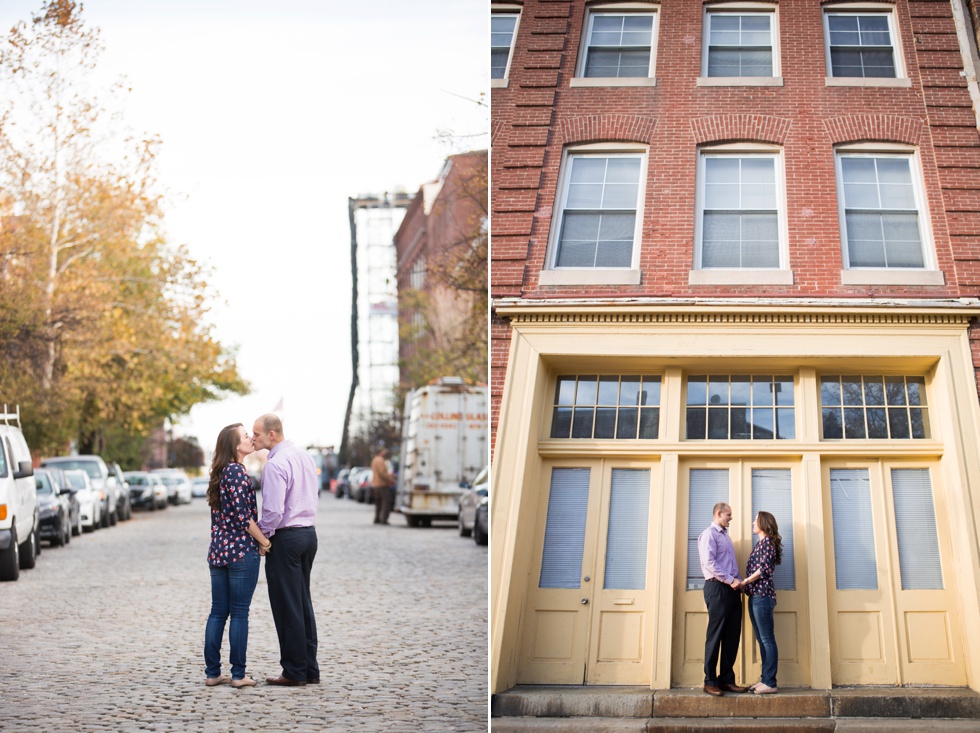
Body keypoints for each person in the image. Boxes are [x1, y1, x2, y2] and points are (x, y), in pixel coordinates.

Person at [252, 413, 320, 687]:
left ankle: (294, 671)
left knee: (287, 606)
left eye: (256, 433)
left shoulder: (275, 464)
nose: (253, 437)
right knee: (302, 602)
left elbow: (273, 511)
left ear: (272, 434)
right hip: (308, 535)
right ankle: (309, 669)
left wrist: (263, 539)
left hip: (286, 538)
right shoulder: (304, 456)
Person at [204, 423, 271, 689]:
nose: (250, 438)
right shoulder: (236, 472)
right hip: (240, 552)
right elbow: (244, 519)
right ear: (235, 445)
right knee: (239, 613)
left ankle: (212, 673)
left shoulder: (221, 472)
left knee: (218, 612)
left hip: (218, 551)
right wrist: (264, 541)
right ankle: (238, 674)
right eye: (245, 436)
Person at [697, 501, 748, 696]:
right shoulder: (709, 535)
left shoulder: (726, 537)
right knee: (715, 634)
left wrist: (740, 583)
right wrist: (729, 580)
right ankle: (709, 680)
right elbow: (708, 563)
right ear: (719, 514)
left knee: (732, 635)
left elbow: (730, 566)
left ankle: (727, 679)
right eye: (729, 515)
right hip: (717, 588)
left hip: (732, 589)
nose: (731, 518)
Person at [743, 510, 782, 695]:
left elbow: (763, 570)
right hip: (755, 596)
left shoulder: (767, 544)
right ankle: (765, 679)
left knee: (767, 639)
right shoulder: (760, 544)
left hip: (763, 597)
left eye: (755, 520)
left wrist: (745, 582)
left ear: (763, 523)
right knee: (761, 639)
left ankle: (770, 682)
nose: (752, 522)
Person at [370, 447, 394, 525]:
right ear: (381, 452)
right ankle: (384, 519)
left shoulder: (374, 459)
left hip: (375, 485)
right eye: (383, 451)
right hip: (382, 485)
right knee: (386, 502)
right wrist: (390, 479)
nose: (384, 453)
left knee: (378, 503)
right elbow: (382, 473)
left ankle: (377, 518)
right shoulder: (380, 460)